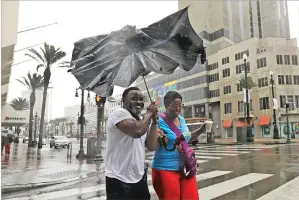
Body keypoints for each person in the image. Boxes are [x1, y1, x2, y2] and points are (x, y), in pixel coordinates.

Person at [105, 87, 163, 200]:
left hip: (139, 178)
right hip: (118, 179)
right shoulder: (119, 113)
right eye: (133, 98)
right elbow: (137, 131)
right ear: (124, 101)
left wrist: (154, 123)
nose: (139, 102)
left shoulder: (142, 120)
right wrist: (150, 112)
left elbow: (151, 146)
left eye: (141, 99)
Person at [152, 91, 206, 200]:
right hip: (165, 168)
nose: (177, 108)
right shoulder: (158, 121)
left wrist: (201, 130)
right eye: (174, 105)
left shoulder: (181, 119)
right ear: (166, 105)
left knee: (192, 197)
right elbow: (153, 140)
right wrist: (160, 137)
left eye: (180, 105)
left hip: (185, 166)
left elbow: (186, 138)